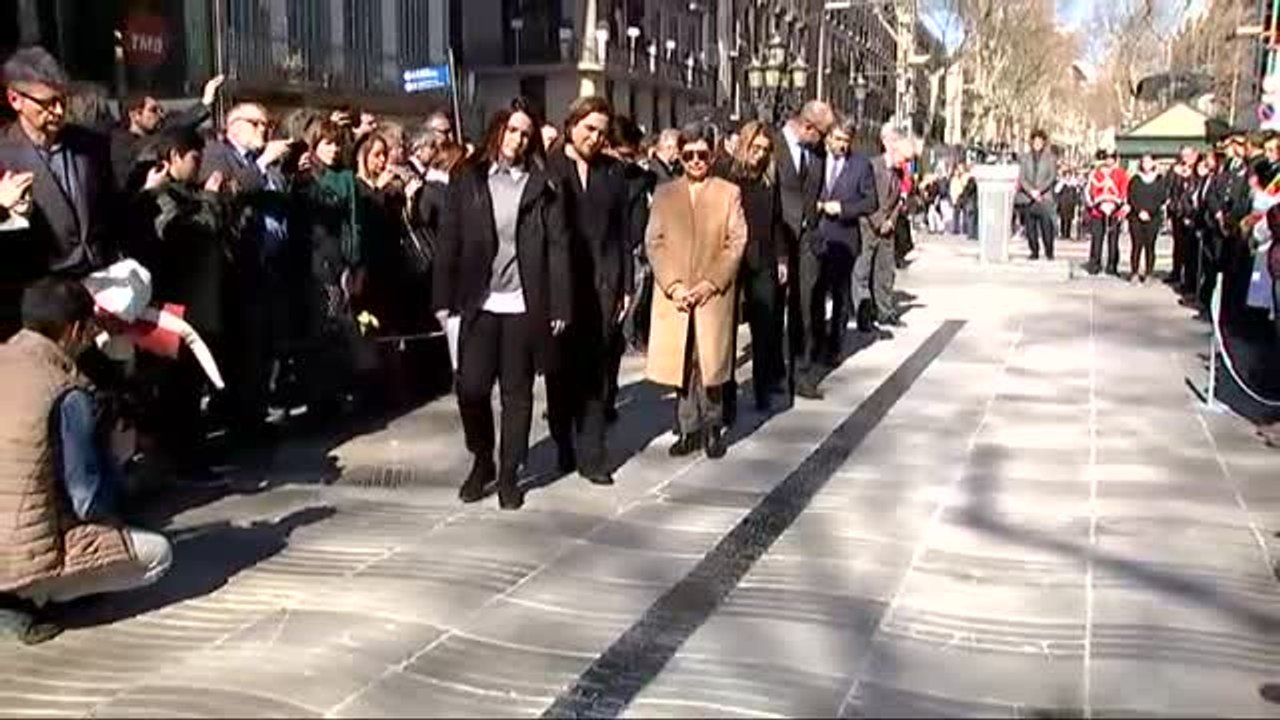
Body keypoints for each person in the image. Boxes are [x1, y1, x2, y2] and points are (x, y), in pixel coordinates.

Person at [0, 278, 173, 643]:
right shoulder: (66, 393)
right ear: (75, 330)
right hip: (16, 553)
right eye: (90, 329)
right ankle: (28, 595)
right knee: (159, 555)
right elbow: (88, 501)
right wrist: (117, 461)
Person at [433, 99, 570, 510]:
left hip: (524, 303)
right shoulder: (469, 178)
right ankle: (482, 458)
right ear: (498, 130)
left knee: (517, 393)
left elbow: (558, 246)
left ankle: (510, 472)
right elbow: (449, 240)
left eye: (526, 134)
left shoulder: (543, 185)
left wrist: (560, 304)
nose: (519, 139)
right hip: (479, 301)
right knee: (471, 387)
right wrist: (442, 298)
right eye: (513, 130)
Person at [126, 128, 229, 475]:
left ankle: (192, 451)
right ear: (173, 157)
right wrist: (211, 198)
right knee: (177, 387)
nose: (199, 166)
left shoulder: (189, 194)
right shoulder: (162, 196)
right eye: (194, 158)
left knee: (191, 384)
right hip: (176, 304)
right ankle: (183, 459)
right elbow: (188, 233)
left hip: (199, 301)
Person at [544, 97, 635, 485]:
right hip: (559, 289)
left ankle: (593, 457)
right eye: (589, 129)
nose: (595, 138)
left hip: (602, 285)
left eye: (602, 132)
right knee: (560, 375)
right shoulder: (548, 169)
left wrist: (626, 285)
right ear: (571, 125)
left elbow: (622, 233)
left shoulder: (612, 173)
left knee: (595, 375)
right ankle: (563, 441)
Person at [0, 47, 121, 337]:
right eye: (47, 102)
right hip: (41, 312)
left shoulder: (92, 145)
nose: (58, 110)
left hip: (102, 294)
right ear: (15, 99)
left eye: (62, 100)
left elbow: (112, 212)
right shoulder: (2, 154)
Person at [645, 121, 747, 460]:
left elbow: (736, 242)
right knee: (682, 362)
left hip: (713, 295)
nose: (695, 161)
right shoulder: (665, 194)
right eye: (688, 155)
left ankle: (713, 426)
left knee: (710, 363)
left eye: (702, 154)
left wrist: (711, 282)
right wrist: (673, 285)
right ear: (680, 156)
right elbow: (654, 242)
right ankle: (687, 427)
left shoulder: (728, 192)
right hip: (675, 295)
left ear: (713, 154)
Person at [199, 103, 295, 445]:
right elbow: (225, 194)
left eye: (267, 125)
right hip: (238, 267)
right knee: (242, 350)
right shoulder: (218, 155)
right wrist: (262, 163)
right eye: (257, 124)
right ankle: (238, 421)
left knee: (263, 348)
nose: (264, 130)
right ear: (234, 126)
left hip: (269, 266)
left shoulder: (264, 163)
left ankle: (255, 414)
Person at [721, 121, 788, 412]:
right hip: (731, 258)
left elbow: (777, 220)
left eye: (765, 149)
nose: (759, 155)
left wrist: (782, 258)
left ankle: (763, 388)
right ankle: (726, 395)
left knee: (765, 325)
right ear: (744, 145)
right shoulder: (726, 175)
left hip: (763, 257)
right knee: (726, 328)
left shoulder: (769, 179)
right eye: (755, 148)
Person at [776, 100, 835, 400]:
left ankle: (801, 373)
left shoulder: (818, 152)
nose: (824, 141)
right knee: (773, 310)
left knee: (806, 307)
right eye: (822, 133)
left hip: (808, 239)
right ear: (808, 126)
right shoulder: (774, 145)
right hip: (778, 236)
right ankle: (772, 374)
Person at [813, 117, 877, 367]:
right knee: (815, 293)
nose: (842, 145)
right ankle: (815, 343)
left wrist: (842, 208)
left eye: (846, 141)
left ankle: (834, 347)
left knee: (840, 296)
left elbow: (870, 202)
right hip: (816, 236)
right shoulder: (816, 158)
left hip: (844, 237)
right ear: (829, 137)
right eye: (838, 139)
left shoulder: (861, 165)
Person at [110, 74, 226, 189]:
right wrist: (204, 103)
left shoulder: (155, 137)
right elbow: (169, 131)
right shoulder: (121, 143)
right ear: (135, 115)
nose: (160, 115)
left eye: (160, 110)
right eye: (153, 110)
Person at [854, 126, 906, 332]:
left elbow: (898, 202)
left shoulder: (899, 173)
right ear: (891, 147)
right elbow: (865, 196)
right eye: (904, 156)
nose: (906, 162)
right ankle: (864, 314)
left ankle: (885, 311)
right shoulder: (873, 166)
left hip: (887, 229)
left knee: (885, 271)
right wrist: (878, 221)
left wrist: (891, 221)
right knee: (863, 272)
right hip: (869, 226)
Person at [1085, 148, 1129, 276]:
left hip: (1115, 210)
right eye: (1107, 158)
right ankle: (1095, 264)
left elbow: (1124, 190)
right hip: (1098, 210)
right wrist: (1097, 203)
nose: (1109, 161)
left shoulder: (1121, 173)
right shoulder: (1096, 173)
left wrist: (1118, 204)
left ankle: (1112, 265)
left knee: (1113, 240)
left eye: (1111, 158)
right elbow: (1091, 190)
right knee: (1097, 239)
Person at [1017, 129, 1059, 261]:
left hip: (1044, 197)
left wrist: (1039, 190)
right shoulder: (1025, 158)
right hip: (1028, 197)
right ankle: (1034, 251)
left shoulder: (1050, 158)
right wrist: (1031, 191)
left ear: (1043, 142)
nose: (1037, 144)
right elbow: (1022, 178)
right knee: (1030, 227)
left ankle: (1049, 251)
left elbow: (1052, 177)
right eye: (1035, 141)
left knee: (1046, 226)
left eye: (1040, 141)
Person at [1127, 154, 1166, 284]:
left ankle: (1149, 273)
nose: (1146, 164)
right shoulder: (1135, 180)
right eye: (1144, 162)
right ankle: (1134, 272)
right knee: (1136, 245)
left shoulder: (1159, 180)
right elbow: (1131, 197)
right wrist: (1139, 211)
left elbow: (1161, 198)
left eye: (1148, 162)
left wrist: (1150, 212)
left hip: (1153, 218)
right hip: (1136, 217)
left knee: (1150, 246)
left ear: (1153, 163)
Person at [1168, 146, 1200, 290]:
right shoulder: (1175, 170)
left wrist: (1190, 174)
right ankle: (1176, 272)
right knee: (1178, 244)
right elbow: (1170, 187)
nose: (1184, 158)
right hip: (1177, 211)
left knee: (1189, 248)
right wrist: (1175, 173)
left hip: (1190, 213)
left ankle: (1188, 278)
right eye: (1182, 155)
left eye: (1187, 155)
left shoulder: (1197, 170)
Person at [1055, 169, 1081, 241]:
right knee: (1063, 218)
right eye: (1067, 175)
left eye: (1069, 175)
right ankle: (1062, 233)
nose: (1068, 177)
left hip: (1071, 203)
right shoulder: (1061, 183)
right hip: (1063, 203)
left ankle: (1068, 233)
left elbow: (1077, 192)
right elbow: (1056, 190)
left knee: (1070, 218)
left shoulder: (1073, 184)